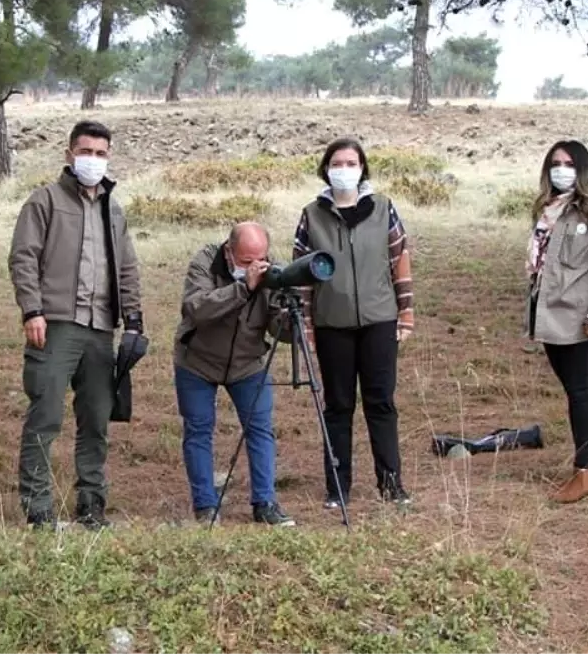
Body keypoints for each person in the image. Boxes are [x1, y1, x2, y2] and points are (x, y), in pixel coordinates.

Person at [9, 120, 143, 531]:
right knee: (45, 416)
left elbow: (127, 268)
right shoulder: (44, 201)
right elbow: (23, 258)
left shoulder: (112, 209)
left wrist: (134, 322)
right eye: (86, 152)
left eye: (101, 154)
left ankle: (91, 505)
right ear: (69, 154)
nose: (93, 160)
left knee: (96, 421)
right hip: (56, 325)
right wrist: (33, 310)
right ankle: (38, 508)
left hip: (102, 328)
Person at [293, 137, 415, 509]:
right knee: (338, 406)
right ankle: (338, 487)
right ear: (326, 169)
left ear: (363, 168)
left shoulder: (383, 209)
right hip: (332, 324)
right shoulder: (312, 215)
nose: (344, 169)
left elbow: (399, 259)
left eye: (351, 163)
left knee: (380, 402)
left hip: (379, 320)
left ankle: (391, 483)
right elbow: (301, 274)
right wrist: (306, 327)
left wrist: (406, 312)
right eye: (337, 163)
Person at [173, 221, 295, 527]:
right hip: (197, 361)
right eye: (245, 261)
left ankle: (265, 503)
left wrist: (292, 317)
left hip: (246, 364)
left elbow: (278, 331)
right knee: (199, 429)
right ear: (229, 251)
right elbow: (196, 308)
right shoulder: (205, 262)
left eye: (261, 258)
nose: (255, 267)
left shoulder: (272, 271)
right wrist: (243, 288)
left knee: (260, 429)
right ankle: (205, 507)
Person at [525, 140, 588, 504]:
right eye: (555, 162)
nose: (561, 168)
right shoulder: (548, 208)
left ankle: (583, 471)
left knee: (582, 391)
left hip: (580, 313)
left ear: (582, 168)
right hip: (550, 310)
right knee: (573, 390)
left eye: (569, 163)